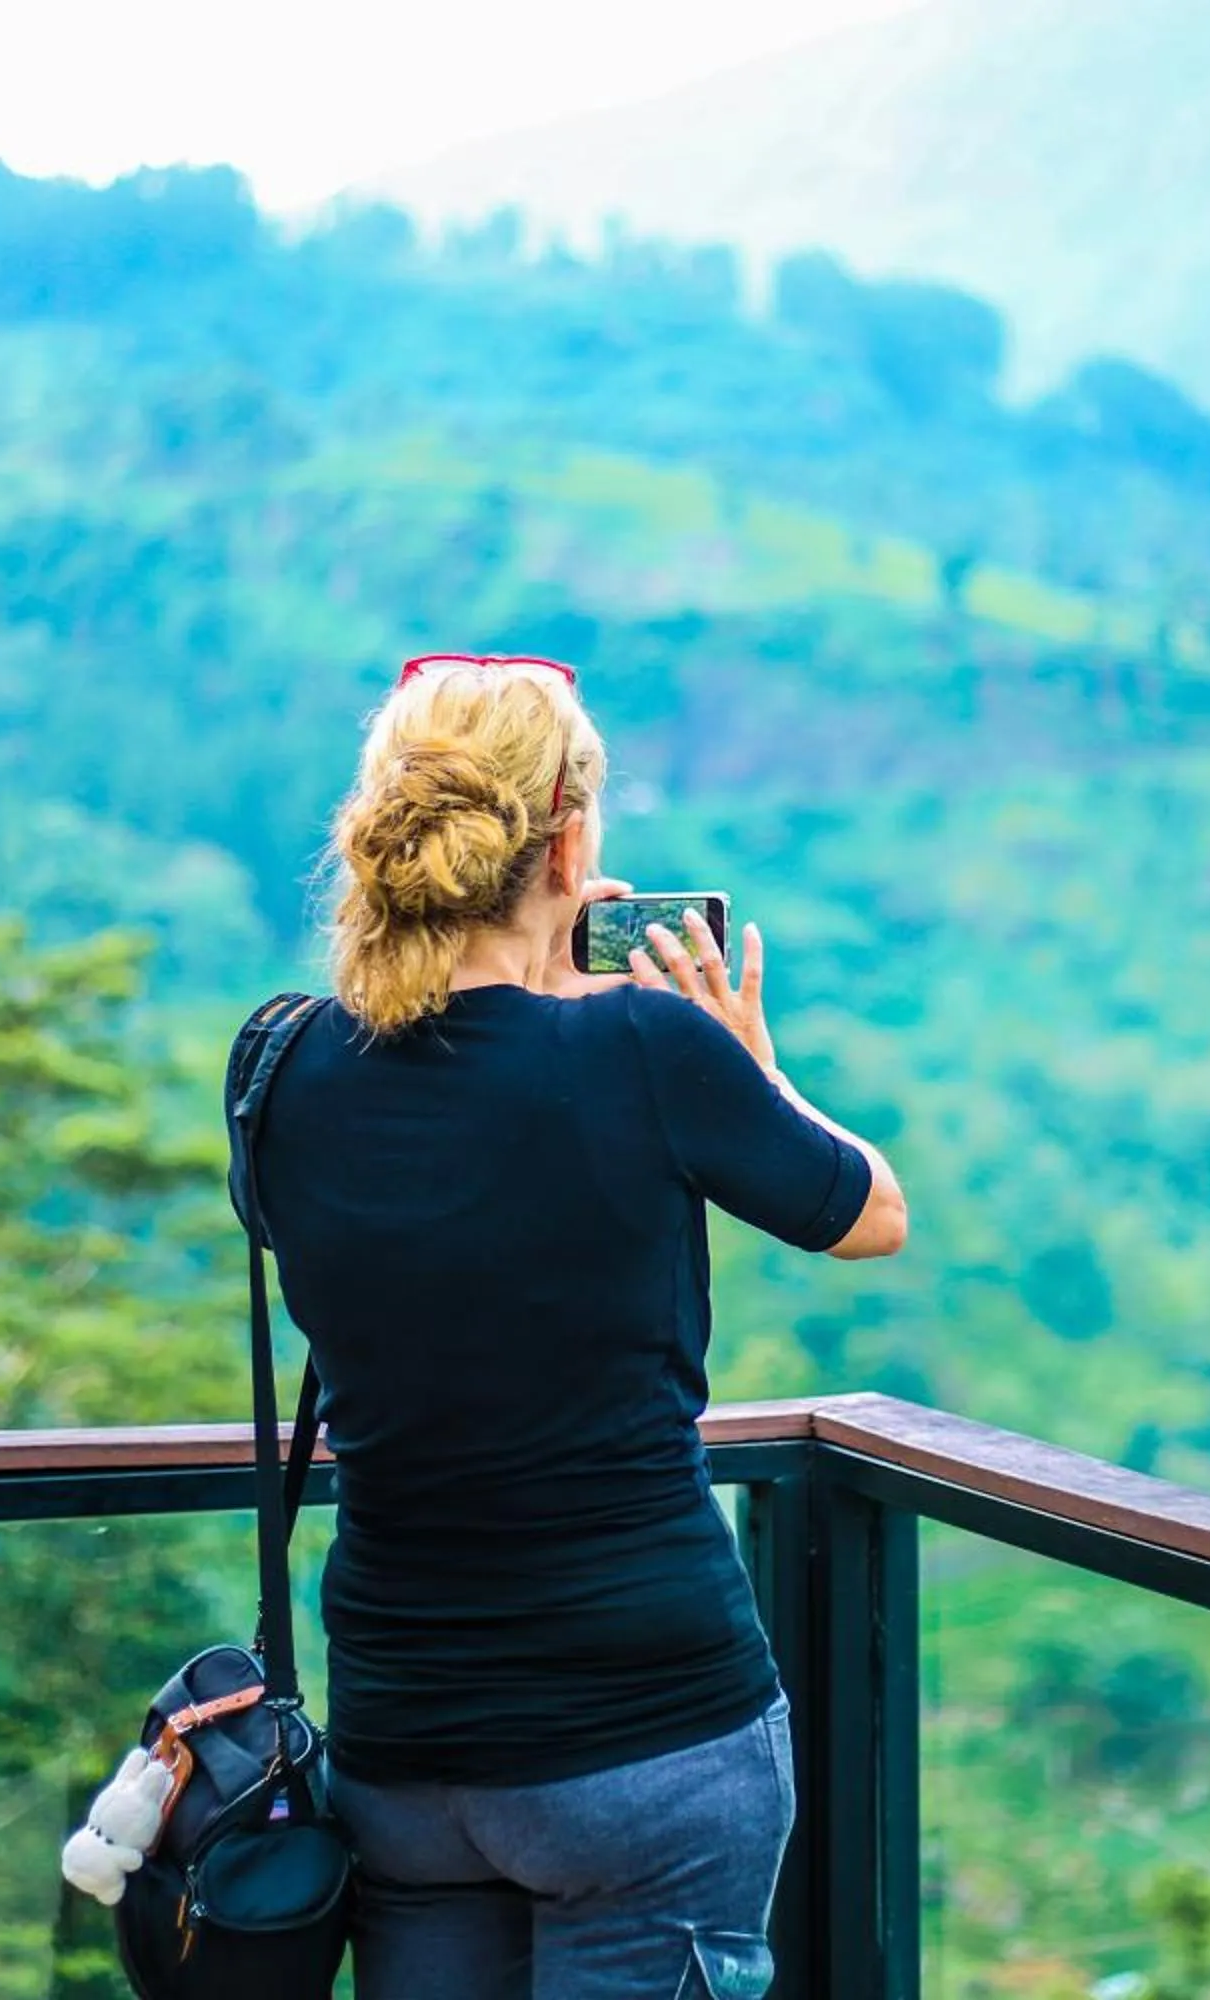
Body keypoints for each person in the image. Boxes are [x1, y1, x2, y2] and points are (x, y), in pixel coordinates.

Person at [249, 653, 909, 2000]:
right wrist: (751, 1062)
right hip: (646, 1744)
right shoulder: (649, 1054)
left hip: (405, 1752)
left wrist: (537, 986)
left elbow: (440, 1191)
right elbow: (869, 1214)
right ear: (566, 839)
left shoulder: (279, 1068)